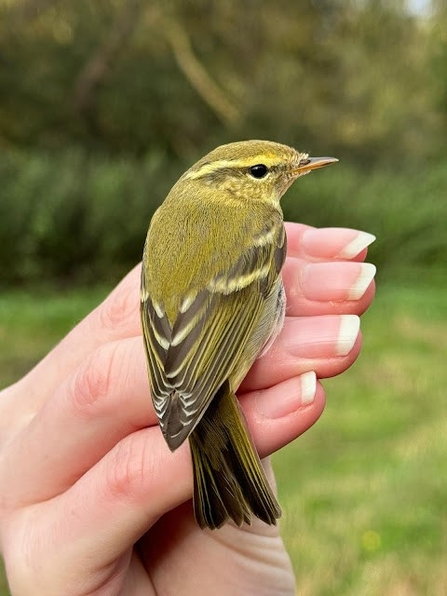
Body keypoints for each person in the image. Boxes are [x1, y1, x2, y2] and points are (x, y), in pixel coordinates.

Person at [0, 223, 376, 595]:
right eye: (260, 171)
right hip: (208, 361)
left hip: (174, 356)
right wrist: (195, 389)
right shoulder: (260, 225)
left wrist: (174, 386)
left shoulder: (174, 220)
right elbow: (228, 319)